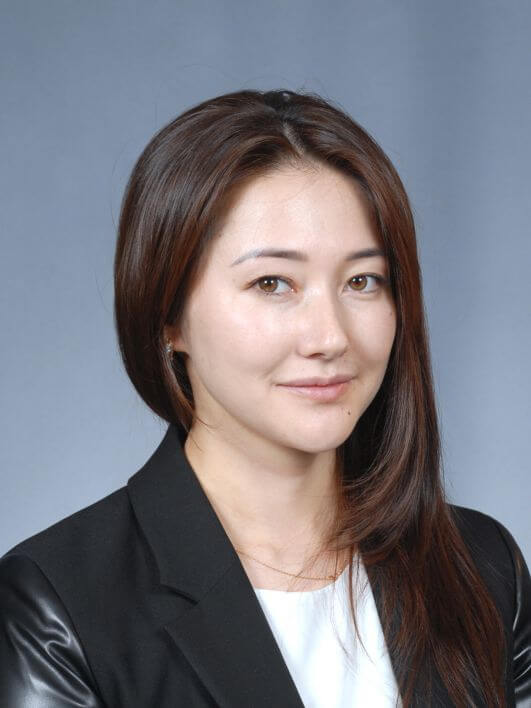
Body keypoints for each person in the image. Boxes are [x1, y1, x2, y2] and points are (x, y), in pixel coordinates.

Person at [0, 88, 529, 708]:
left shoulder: (482, 565)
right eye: (272, 283)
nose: (330, 337)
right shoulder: (59, 605)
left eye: (362, 281)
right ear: (167, 315)